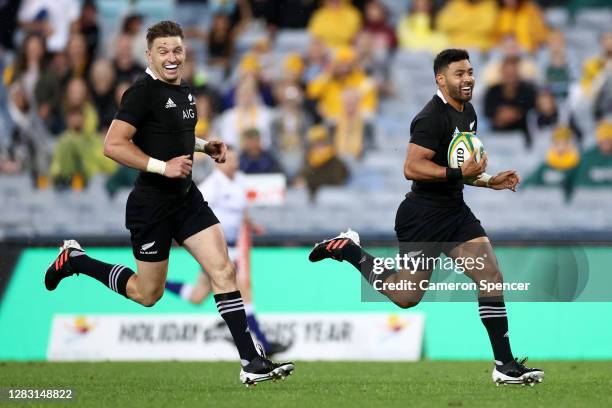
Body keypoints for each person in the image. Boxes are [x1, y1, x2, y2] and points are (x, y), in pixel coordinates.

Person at [44, 20, 293, 386]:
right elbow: (113, 145)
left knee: (223, 270)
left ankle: (251, 360)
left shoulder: (184, 91)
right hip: (151, 205)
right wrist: (164, 167)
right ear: (149, 55)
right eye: (163, 51)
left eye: (177, 49)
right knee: (148, 294)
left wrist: (204, 145)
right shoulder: (141, 92)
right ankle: (77, 260)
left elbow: (169, 135)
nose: (172, 57)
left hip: (186, 199)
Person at [308, 49, 544, 385]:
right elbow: (412, 167)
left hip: (454, 213)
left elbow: (459, 171)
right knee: (407, 297)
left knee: (491, 276)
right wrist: (458, 172)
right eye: (459, 74)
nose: (468, 79)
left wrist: (490, 181)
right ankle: (348, 250)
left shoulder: (469, 113)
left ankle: (504, 365)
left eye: (470, 72)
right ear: (441, 78)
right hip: (422, 216)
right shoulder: (431, 116)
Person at [165, 146, 289, 356]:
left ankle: (161, 283)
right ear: (218, 162)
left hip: (231, 245)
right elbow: (190, 210)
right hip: (215, 246)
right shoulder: (212, 186)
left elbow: (240, 209)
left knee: (198, 296)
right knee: (244, 291)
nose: (234, 163)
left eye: (235, 159)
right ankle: (264, 345)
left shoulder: (239, 180)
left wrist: (250, 223)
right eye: (230, 159)